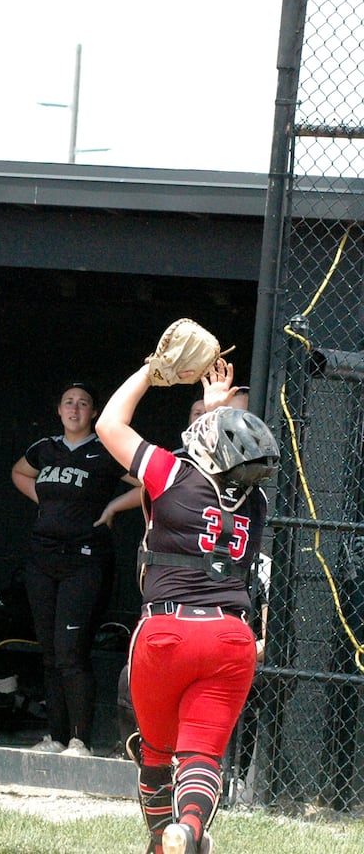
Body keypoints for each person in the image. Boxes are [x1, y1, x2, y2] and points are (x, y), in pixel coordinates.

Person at [95, 360, 279, 854]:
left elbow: (108, 424)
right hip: (231, 639)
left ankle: (161, 839)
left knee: (156, 755)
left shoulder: (173, 475)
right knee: (201, 756)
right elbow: (224, 462)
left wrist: (150, 370)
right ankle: (189, 829)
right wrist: (218, 413)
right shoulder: (256, 502)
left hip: (166, 632)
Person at [10, 381, 141, 757]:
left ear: (94, 413)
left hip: (84, 561)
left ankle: (81, 741)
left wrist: (114, 507)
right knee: (49, 652)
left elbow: (151, 483)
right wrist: (46, 503)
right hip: (42, 558)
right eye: (68, 402)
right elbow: (20, 472)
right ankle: (56, 737)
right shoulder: (44, 449)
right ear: (58, 410)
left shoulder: (104, 451)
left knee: (71, 652)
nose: (75, 409)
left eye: (83, 403)